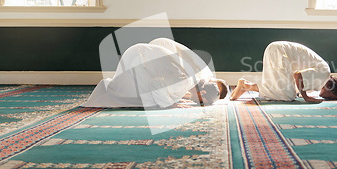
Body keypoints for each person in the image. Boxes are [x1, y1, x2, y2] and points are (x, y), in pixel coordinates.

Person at [82, 38, 229, 108]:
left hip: (139, 55)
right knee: (149, 101)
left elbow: (169, 84)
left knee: (156, 98)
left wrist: (173, 99)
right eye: (202, 103)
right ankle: (110, 88)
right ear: (201, 94)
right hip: (136, 59)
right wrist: (171, 105)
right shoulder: (186, 80)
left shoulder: (192, 79)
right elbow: (156, 83)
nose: (196, 103)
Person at [230, 41, 337, 103]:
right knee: (287, 95)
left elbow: (299, 83)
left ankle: (247, 86)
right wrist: (306, 97)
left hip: (277, 49)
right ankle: (246, 86)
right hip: (279, 51)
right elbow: (298, 75)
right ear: (331, 89)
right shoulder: (324, 75)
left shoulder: (323, 75)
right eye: (331, 97)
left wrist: (302, 92)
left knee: (287, 90)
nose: (327, 98)